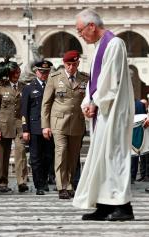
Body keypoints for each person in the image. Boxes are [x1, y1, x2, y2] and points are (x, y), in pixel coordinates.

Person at [73, 9, 135, 221]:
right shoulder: (99, 46)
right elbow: (95, 81)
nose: (80, 35)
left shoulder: (114, 44)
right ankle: (104, 205)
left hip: (113, 111)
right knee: (101, 158)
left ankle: (123, 208)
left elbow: (110, 80)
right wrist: (88, 101)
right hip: (103, 111)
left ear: (92, 25)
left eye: (81, 30)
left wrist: (96, 102)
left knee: (114, 157)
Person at [41, 51, 89, 199]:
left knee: (73, 156)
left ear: (78, 64)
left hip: (77, 123)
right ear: (64, 63)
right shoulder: (55, 78)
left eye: (74, 64)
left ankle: (69, 185)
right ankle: (62, 186)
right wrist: (45, 125)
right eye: (68, 64)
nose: (71, 67)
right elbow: (46, 103)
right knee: (61, 153)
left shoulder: (85, 78)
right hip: (59, 122)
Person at [0, 60, 29, 193]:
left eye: (18, 72)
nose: (16, 75)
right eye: (14, 72)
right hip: (4, 125)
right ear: (9, 73)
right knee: (3, 155)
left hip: (19, 125)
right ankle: (2, 182)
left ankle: (21, 181)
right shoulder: (1, 87)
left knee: (20, 151)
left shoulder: (24, 87)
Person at [21, 60, 54, 195]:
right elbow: (24, 110)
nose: (44, 74)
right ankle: (38, 184)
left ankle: (45, 181)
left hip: (49, 127)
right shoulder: (29, 87)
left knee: (48, 157)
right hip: (34, 128)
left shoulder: (51, 86)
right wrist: (25, 129)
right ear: (36, 72)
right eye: (42, 72)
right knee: (35, 158)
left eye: (46, 72)